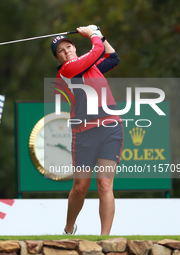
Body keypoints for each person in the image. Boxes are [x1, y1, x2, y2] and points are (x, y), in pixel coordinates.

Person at [51, 25, 124, 235]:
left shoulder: (90, 65)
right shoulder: (67, 71)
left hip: (111, 127)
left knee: (104, 183)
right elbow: (98, 50)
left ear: (74, 47)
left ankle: (104, 239)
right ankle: (68, 229)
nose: (66, 52)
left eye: (68, 47)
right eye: (61, 51)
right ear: (59, 59)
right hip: (84, 133)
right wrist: (92, 35)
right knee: (80, 187)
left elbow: (112, 57)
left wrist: (99, 33)